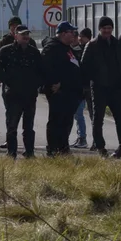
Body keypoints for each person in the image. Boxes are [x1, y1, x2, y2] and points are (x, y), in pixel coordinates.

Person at [81, 16, 121, 158]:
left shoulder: (116, 43)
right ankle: (100, 147)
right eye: (104, 28)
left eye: (109, 28)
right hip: (99, 88)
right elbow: (84, 66)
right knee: (98, 119)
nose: (107, 31)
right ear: (99, 29)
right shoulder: (92, 45)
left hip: (116, 87)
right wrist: (95, 78)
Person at [0, 25, 48, 158]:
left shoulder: (33, 52)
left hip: (29, 95)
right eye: (23, 34)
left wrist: (36, 85)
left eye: (27, 34)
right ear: (16, 36)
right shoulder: (6, 51)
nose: (26, 37)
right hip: (13, 95)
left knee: (28, 127)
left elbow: (42, 72)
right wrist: (7, 80)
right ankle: (11, 153)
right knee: (12, 126)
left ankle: (29, 152)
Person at [42, 22, 83, 156]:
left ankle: (63, 147)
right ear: (64, 33)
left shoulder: (67, 48)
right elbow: (46, 67)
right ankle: (53, 149)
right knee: (56, 121)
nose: (74, 35)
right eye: (72, 32)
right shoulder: (52, 48)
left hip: (70, 92)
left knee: (66, 121)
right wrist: (56, 82)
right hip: (58, 92)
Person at [71, 27, 92, 148]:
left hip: (82, 87)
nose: (76, 39)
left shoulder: (80, 51)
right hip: (77, 87)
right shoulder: (72, 50)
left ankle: (82, 138)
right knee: (77, 114)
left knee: (79, 114)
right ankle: (80, 137)